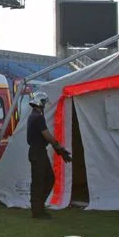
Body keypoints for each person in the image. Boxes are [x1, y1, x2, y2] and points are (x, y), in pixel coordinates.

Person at [26, 91, 71, 219]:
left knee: (46, 179)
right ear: (41, 103)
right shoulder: (38, 117)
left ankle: (39, 207)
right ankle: (37, 210)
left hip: (37, 151)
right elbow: (46, 134)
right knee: (40, 181)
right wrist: (58, 147)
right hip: (38, 152)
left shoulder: (34, 115)